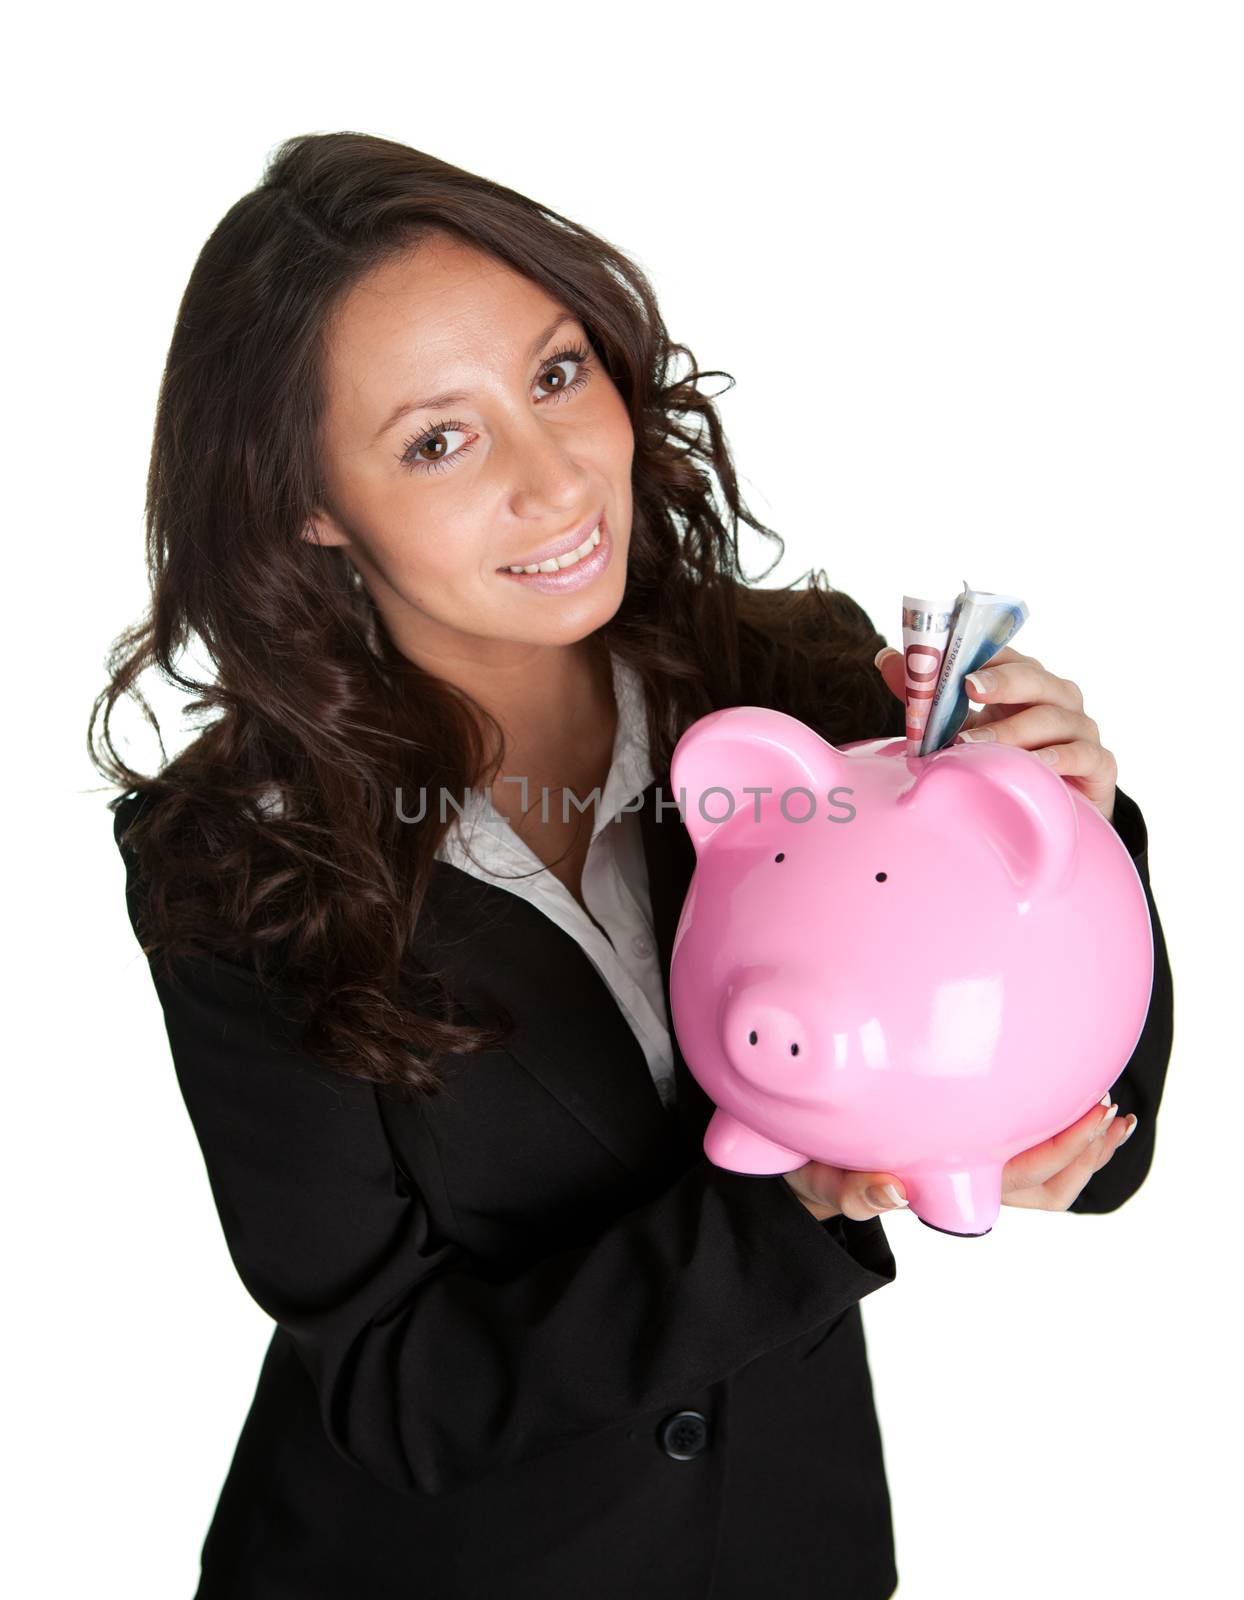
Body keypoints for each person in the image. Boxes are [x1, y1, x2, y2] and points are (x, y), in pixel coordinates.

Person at [92, 132, 1174, 1600]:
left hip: (788, 1550)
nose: (555, 478)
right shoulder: (247, 864)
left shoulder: (793, 682)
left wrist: (1070, 823)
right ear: (308, 502)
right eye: (436, 439)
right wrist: (795, 1212)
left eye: (554, 375)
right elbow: (401, 1389)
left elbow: (1094, 1141)